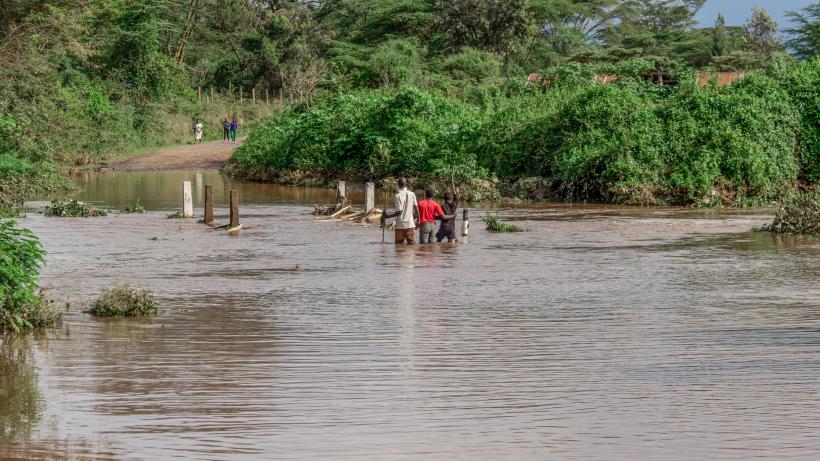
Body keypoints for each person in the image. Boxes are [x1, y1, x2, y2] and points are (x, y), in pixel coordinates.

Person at [381, 177, 419, 244]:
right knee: (411, 244)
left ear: (398, 185)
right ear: (406, 184)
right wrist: (417, 220)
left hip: (400, 225)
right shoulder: (412, 194)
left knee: (398, 246)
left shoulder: (398, 196)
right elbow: (416, 210)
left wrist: (387, 216)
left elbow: (399, 212)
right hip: (410, 224)